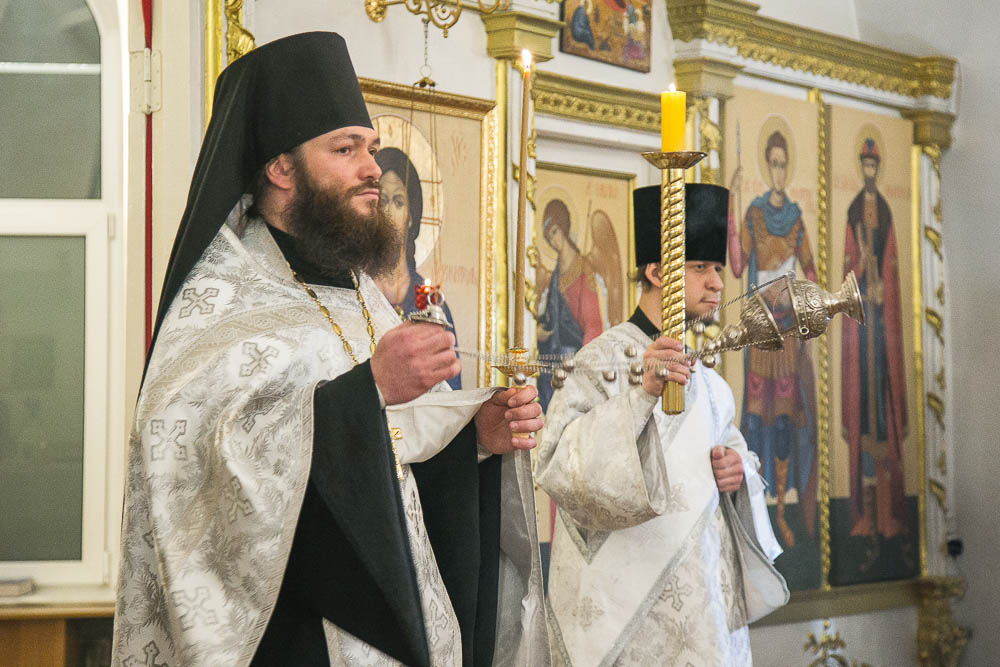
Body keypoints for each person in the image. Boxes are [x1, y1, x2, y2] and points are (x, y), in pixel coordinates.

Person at [112, 32, 549, 667]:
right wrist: (367, 391)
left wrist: (472, 437)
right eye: (346, 149)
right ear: (281, 168)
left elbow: (398, 459)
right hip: (293, 640)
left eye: (370, 147)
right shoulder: (220, 298)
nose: (373, 167)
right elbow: (192, 474)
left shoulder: (360, 294)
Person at [536, 183, 788, 666]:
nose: (717, 284)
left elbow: (736, 458)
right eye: (700, 268)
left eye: (718, 269)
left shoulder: (711, 382)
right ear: (656, 272)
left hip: (704, 615)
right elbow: (558, 464)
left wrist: (738, 471)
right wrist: (641, 397)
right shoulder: (600, 361)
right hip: (623, 620)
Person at [728, 129, 818, 548]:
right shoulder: (755, 214)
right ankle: (756, 509)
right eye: (773, 164)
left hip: (788, 336)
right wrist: (731, 206)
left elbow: (811, 273)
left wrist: (801, 298)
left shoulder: (796, 219)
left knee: (783, 422)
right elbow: (736, 265)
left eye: (784, 164)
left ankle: (781, 511)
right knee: (755, 421)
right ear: (767, 167)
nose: (778, 171)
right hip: (760, 332)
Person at [842, 138, 908, 541]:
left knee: (882, 414)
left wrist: (882, 282)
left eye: (873, 165)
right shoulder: (853, 211)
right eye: (864, 165)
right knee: (863, 414)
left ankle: (887, 513)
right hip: (860, 326)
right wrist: (862, 271)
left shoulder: (884, 210)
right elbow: (848, 266)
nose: (869, 171)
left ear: (877, 168)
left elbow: (893, 263)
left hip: (881, 326)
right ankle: (864, 515)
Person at [374, 146, 461, 389]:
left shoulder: (431, 302)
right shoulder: (354, 291)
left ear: (411, 216)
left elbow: (449, 390)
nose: (388, 211)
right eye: (382, 200)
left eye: (398, 202)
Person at [534, 199, 605, 410]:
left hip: (574, 363)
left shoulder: (584, 269)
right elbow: (551, 316)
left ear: (563, 227)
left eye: (555, 232)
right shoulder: (556, 273)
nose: (553, 241)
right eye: (548, 237)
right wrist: (541, 331)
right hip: (552, 363)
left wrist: (582, 368)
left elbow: (593, 325)